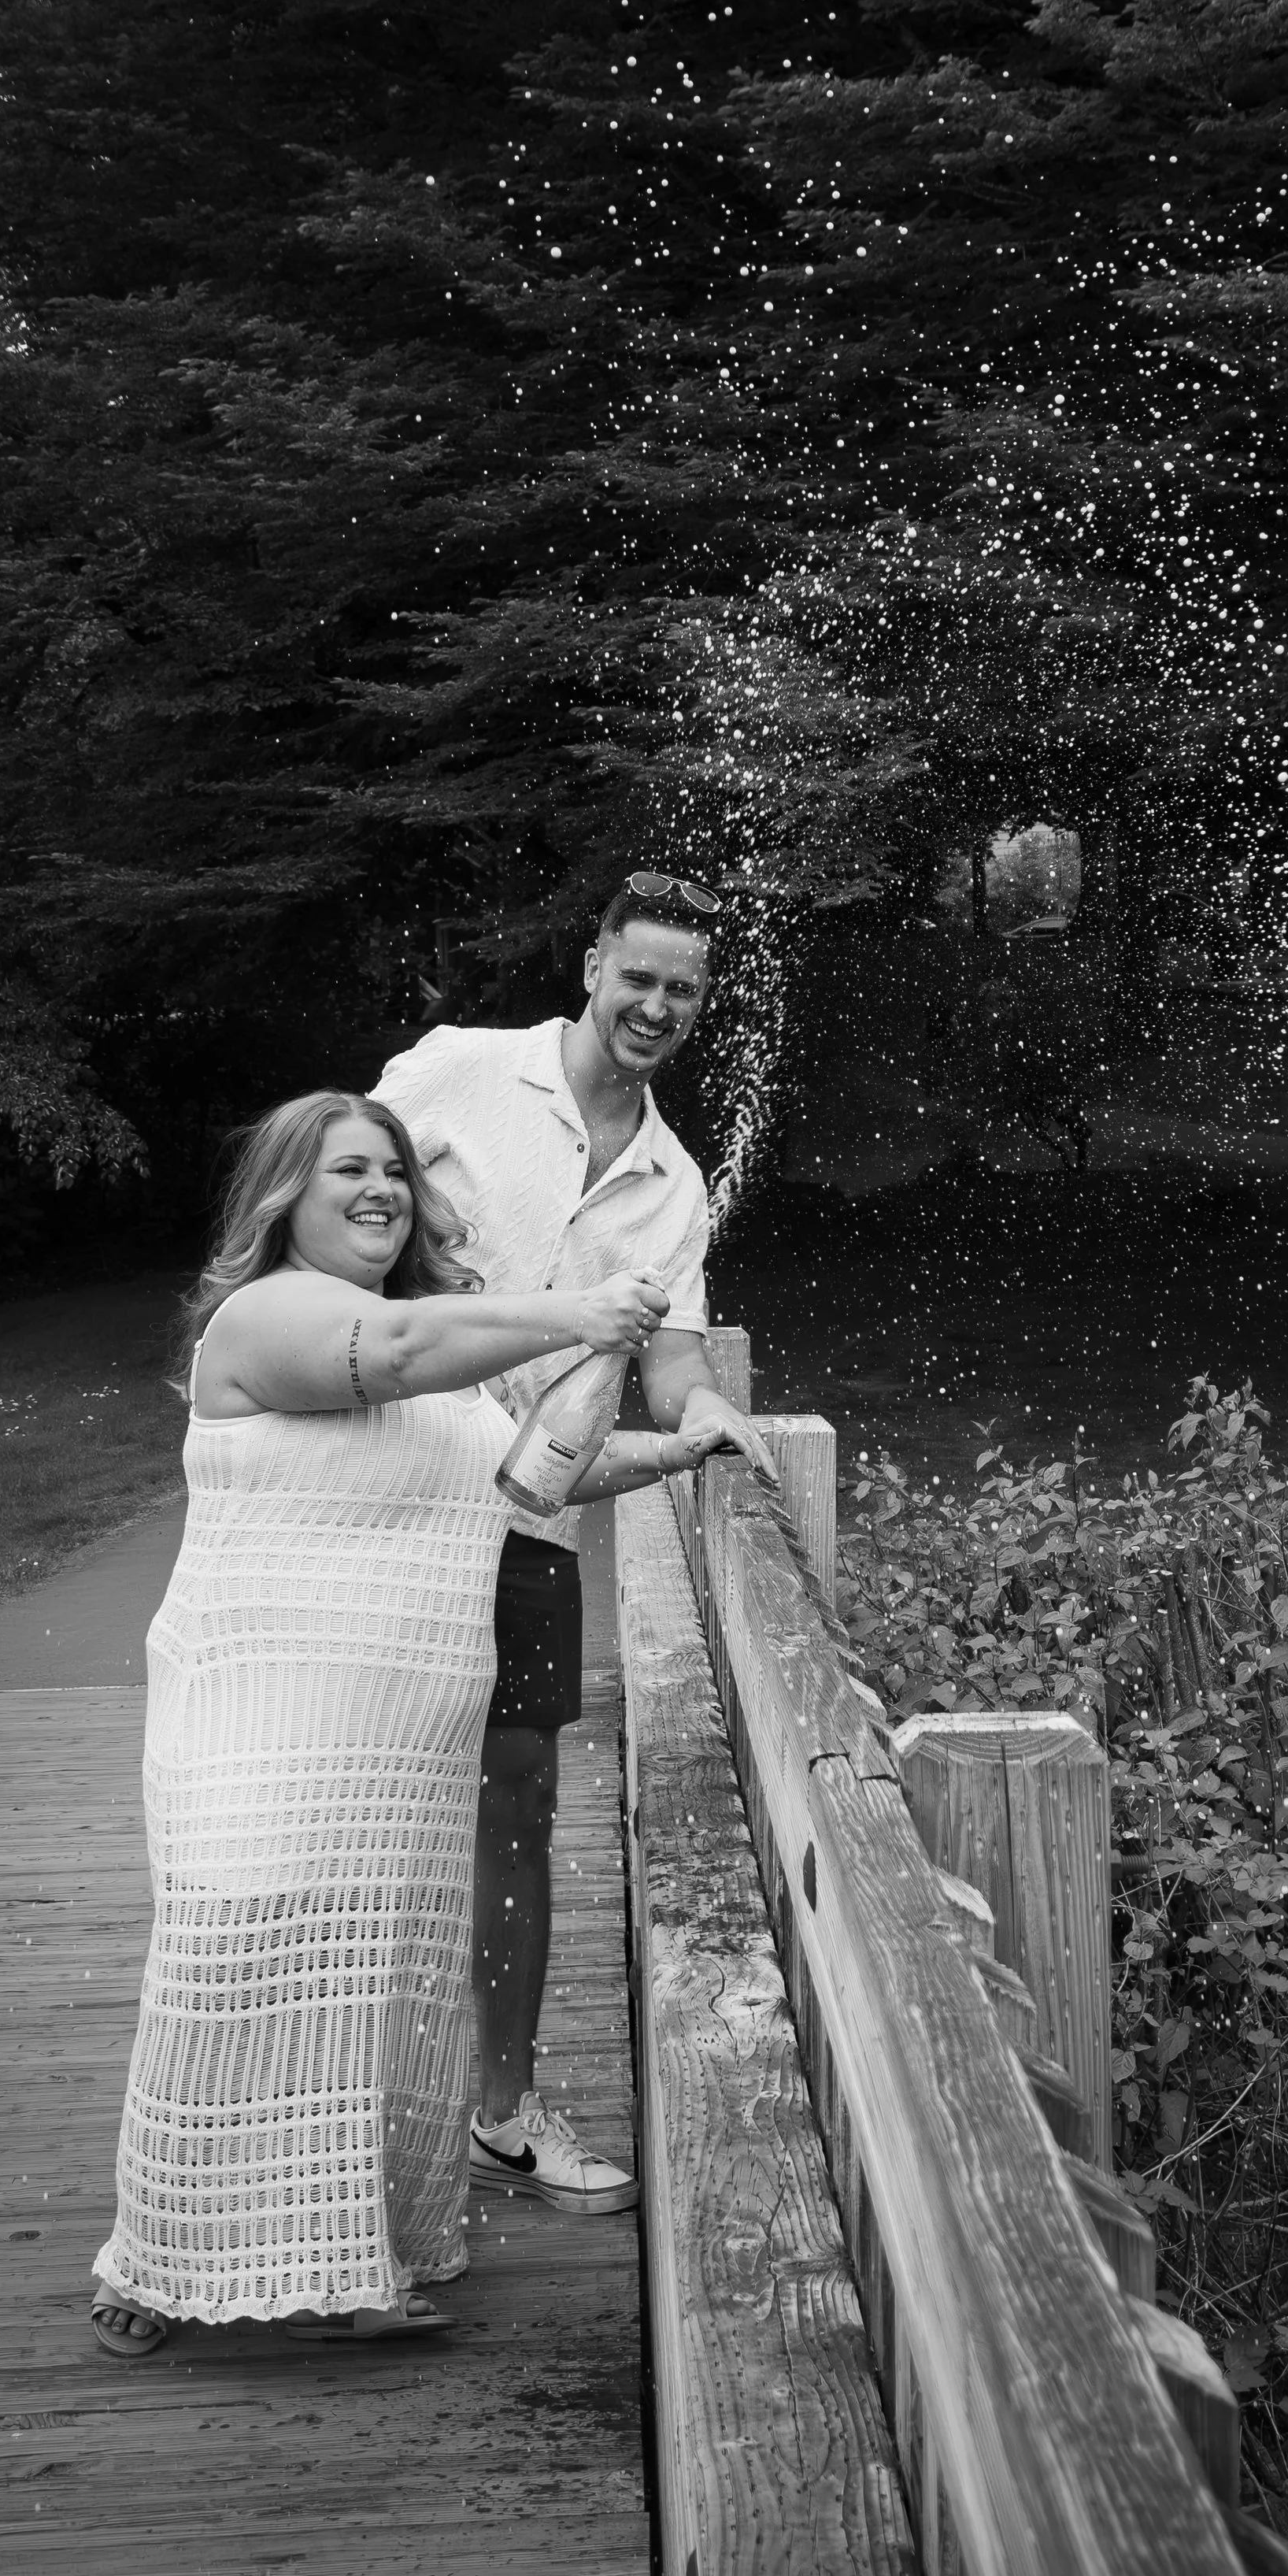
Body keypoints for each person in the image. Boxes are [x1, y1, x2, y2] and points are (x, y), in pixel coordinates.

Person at [91, 1090, 746, 2358]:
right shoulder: (269, 1313)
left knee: (374, 1993)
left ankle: (344, 2261)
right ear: (288, 1194)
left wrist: (680, 1449)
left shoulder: (443, 1359)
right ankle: (154, 2259)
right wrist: (581, 1309)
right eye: (350, 1170)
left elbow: (529, 1474)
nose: (381, 1189)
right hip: (268, 1717)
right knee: (235, 1967)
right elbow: (387, 1354)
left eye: (394, 1168)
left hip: (398, 1748)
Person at [375, 873, 775, 2215]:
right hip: (380, 1497)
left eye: (685, 989)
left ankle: (502, 2109)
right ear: (594, 966)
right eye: (639, 976)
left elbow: (668, 1359)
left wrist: (709, 1403)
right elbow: (330, 1197)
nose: (656, 1005)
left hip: (524, 1521)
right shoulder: (460, 1074)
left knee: (519, 1807)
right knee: (360, 1808)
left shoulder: (672, 1182)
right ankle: (330, 2108)